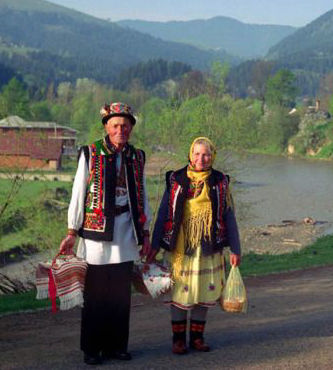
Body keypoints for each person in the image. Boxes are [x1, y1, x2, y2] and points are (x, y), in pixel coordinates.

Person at [59, 102, 152, 365]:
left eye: (125, 125)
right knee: (97, 294)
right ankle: (92, 348)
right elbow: (78, 194)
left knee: (121, 295)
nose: (120, 129)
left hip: (126, 231)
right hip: (96, 234)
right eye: (115, 125)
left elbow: (143, 194)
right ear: (106, 128)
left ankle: (116, 346)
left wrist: (145, 232)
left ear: (131, 128)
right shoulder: (90, 153)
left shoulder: (137, 157)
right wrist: (71, 230)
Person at [148, 137, 242, 354]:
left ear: (213, 156)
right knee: (179, 292)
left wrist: (235, 249)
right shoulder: (176, 179)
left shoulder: (220, 182)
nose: (201, 158)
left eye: (206, 154)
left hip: (208, 249)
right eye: (197, 153)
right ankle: (178, 340)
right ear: (190, 155)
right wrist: (154, 245)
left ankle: (197, 338)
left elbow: (229, 216)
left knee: (203, 292)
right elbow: (163, 214)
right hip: (180, 248)